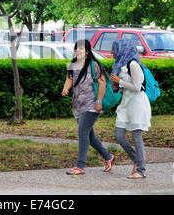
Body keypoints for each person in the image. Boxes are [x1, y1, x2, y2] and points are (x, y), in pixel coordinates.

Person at [61, 39, 115, 175]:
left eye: (80, 49)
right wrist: (65, 89)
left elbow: (102, 83)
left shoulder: (94, 65)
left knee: (83, 133)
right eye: (76, 49)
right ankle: (108, 156)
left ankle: (80, 166)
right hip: (78, 104)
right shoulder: (73, 65)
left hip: (92, 104)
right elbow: (69, 79)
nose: (77, 51)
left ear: (87, 51)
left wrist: (99, 102)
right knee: (89, 135)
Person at [110, 39, 151, 179]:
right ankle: (136, 160)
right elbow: (126, 86)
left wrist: (119, 81)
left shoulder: (133, 64)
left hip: (137, 104)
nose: (112, 52)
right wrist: (117, 87)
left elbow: (138, 87)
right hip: (125, 103)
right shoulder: (120, 64)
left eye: (114, 49)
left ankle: (141, 170)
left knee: (136, 136)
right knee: (118, 135)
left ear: (122, 49)